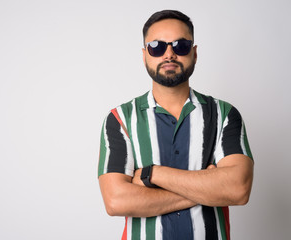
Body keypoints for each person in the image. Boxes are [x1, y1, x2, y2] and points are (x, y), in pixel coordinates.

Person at [98, 10, 254, 240]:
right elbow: (116, 201)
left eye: (180, 45)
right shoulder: (120, 118)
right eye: (157, 46)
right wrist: (207, 188)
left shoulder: (224, 114)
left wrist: (153, 174)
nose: (169, 54)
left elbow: (238, 189)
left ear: (194, 53)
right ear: (144, 55)